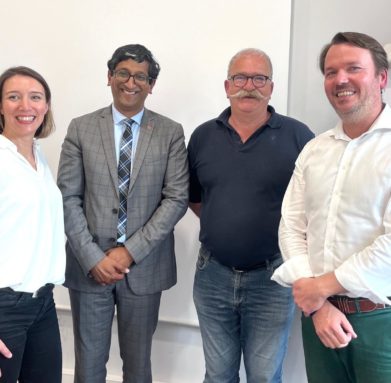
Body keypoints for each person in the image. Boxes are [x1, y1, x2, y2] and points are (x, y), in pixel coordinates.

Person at [57, 44, 188, 383]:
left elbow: (175, 199)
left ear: (151, 84)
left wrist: (129, 251)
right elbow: (67, 197)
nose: (131, 83)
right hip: (90, 268)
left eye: (141, 77)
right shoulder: (81, 128)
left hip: (144, 267)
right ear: (110, 77)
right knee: (88, 366)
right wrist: (92, 258)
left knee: (138, 365)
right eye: (123, 73)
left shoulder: (170, 133)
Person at [188, 48, 314, 383]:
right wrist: (229, 227)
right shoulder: (203, 136)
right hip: (212, 276)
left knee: (263, 375)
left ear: (271, 87)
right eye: (241, 78)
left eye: (259, 78)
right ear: (227, 86)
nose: (250, 86)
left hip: (273, 278)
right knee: (217, 375)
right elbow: (195, 198)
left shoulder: (299, 137)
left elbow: (314, 208)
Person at [272, 31, 391, 382]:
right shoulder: (315, 149)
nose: (340, 80)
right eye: (330, 71)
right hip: (321, 320)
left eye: (353, 68)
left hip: (381, 323)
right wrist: (319, 305)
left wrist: (321, 287)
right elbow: (291, 225)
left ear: (382, 77)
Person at [0, 66, 65, 383]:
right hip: (4, 308)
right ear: (0, 105)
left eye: (35, 97)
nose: (26, 106)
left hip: (42, 304)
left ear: (46, 105)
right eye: (14, 97)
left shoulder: (39, 158)